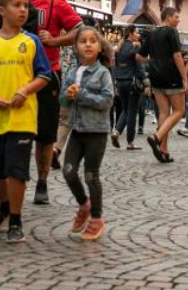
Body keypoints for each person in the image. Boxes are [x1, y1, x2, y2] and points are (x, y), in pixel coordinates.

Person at [0, 0, 51, 244]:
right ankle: (4, 206)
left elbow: (44, 75)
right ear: (2, 10)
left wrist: (25, 90)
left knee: (16, 170)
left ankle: (16, 219)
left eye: (25, 6)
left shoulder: (31, 42)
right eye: (17, 5)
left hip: (22, 117)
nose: (23, 10)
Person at [22, 0, 82, 205]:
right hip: (15, 75)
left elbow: (79, 30)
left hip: (48, 74)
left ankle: (42, 181)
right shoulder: (9, 1)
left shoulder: (56, 2)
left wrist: (55, 41)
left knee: (45, 135)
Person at [61, 26, 115, 241]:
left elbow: (107, 101)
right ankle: (84, 205)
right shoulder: (72, 72)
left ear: (100, 46)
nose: (88, 44)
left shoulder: (103, 73)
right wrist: (67, 94)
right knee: (68, 171)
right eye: (83, 41)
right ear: (75, 48)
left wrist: (81, 95)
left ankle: (96, 218)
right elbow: (62, 102)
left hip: (96, 131)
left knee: (91, 175)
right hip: (77, 129)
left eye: (93, 41)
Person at [140, 6, 188, 163]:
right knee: (180, 111)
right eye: (176, 16)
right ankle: (157, 137)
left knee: (163, 113)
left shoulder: (152, 33)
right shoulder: (171, 31)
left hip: (155, 77)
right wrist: (185, 78)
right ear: (168, 17)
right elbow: (177, 56)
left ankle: (163, 150)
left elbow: (140, 57)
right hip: (171, 76)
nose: (178, 19)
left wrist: (154, 61)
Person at [111, 26, 144, 150]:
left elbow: (116, 65)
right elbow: (138, 65)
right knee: (132, 112)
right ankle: (130, 142)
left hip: (120, 81)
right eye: (137, 32)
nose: (139, 34)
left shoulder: (119, 46)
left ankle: (116, 132)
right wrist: (145, 79)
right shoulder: (134, 46)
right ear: (131, 33)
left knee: (126, 109)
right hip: (132, 82)